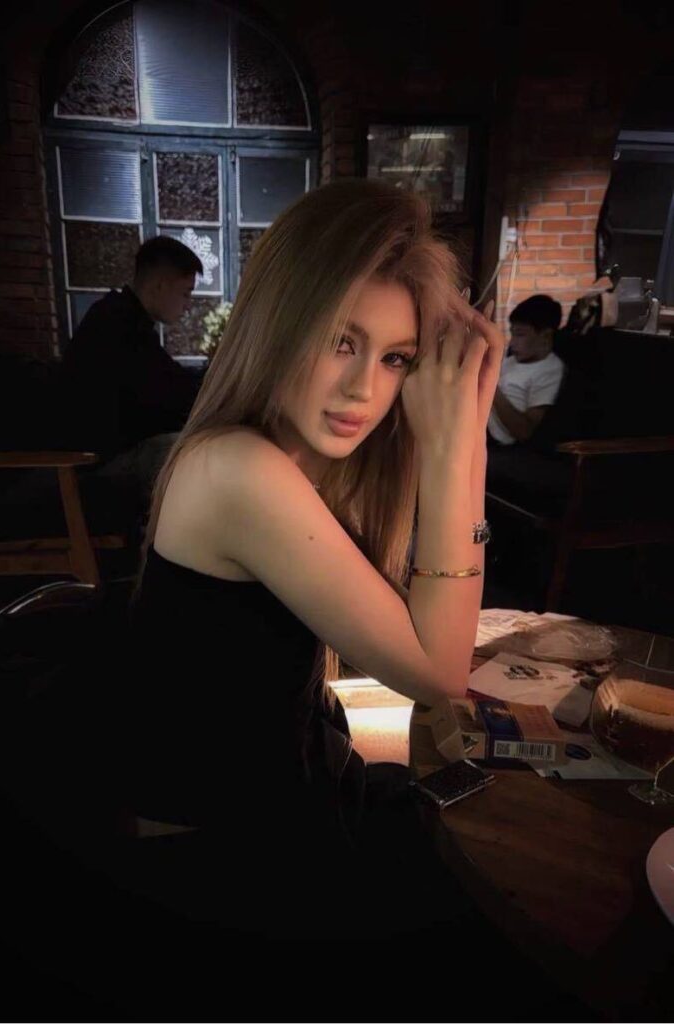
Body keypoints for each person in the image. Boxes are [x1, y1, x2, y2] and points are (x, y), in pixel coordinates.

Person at [119, 176, 508, 946]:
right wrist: (453, 443)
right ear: (278, 322)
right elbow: (437, 673)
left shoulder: (292, 455)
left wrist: (465, 425)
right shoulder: (236, 469)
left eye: (395, 358)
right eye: (340, 341)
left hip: (286, 787)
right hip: (211, 858)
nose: (363, 389)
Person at [61, 235, 204, 503]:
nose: (188, 305)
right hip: (94, 466)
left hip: (104, 457)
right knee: (197, 453)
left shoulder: (121, 318)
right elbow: (165, 394)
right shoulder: (119, 325)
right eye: (186, 293)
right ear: (160, 285)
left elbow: (167, 381)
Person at [487, 294, 565, 446]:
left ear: (545, 336)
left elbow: (524, 431)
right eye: (512, 334)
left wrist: (490, 385)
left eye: (520, 335)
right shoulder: (511, 361)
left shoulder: (550, 370)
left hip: (497, 443)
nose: (512, 343)